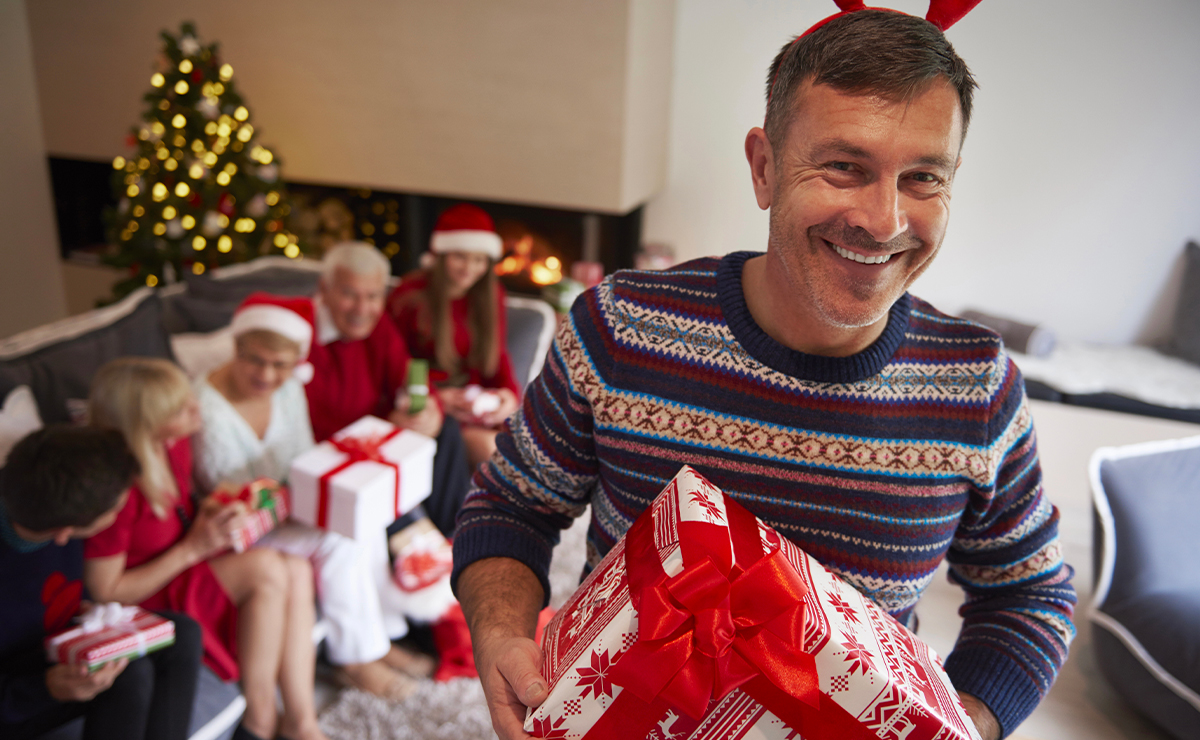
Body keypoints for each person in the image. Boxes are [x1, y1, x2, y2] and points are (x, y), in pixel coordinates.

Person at [451, 8, 1077, 740]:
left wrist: (960, 723)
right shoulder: (620, 326)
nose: (884, 220)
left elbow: (1030, 595)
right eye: (845, 166)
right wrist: (500, 637)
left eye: (922, 177)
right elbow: (510, 506)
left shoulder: (978, 386)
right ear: (764, 167)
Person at [192, 293, 434, 699]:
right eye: (256, 360)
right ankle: (355, 659)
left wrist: (318, 495)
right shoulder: (208, 409)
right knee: (341, 534)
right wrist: (305, 503)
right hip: (240, 528)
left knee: (363, 515)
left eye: (279, 364)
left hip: (290, 505)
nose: (267, 375)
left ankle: (381, 640)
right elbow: (233, 498)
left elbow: (302, 457)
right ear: (237, 347)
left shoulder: (289, 389)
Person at [84, 357, 328, 740]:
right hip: (148, 590)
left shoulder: (173, 445)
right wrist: (193, 549)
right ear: (145, 425)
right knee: (265, 569)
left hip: (185, 560)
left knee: (295, 567)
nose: (197, 407)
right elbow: (105, 591)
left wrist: (216, 508)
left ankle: (301, 721)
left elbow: (186, 507)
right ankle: (259, 721)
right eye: (182, 408)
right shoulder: (116, 492)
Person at [1, 425, 202, 740]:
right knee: (129, 675)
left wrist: (89, 615)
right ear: (65, 533)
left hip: (53, 645)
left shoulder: (38, 491)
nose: (121, 512)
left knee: (180, 633)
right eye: (116, 510)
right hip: (16, 692)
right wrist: (46, 688)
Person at [306, 241, 471, 537]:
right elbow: (316, 431)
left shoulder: (377, 325)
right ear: (324, 289)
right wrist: (384, 431)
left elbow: (407, 373)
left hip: (379, 436)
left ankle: (457, 535)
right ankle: (414, 547)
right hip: (335, 455)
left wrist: (428, 408)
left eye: (372, 296)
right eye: (349, 294)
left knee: (445, 427)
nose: (362, 308)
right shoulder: (305, 335)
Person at [387, 203, 521, 469]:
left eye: (479, 259)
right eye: (460, 256)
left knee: (527, 450)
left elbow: (497, 354)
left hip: (475, 403)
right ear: (441, 255)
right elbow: (394, 360)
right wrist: (438, 398)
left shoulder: (492, 295)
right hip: (428, 403)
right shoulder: (410, 296)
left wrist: (509, 396)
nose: (469, 268)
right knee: (491, 451)